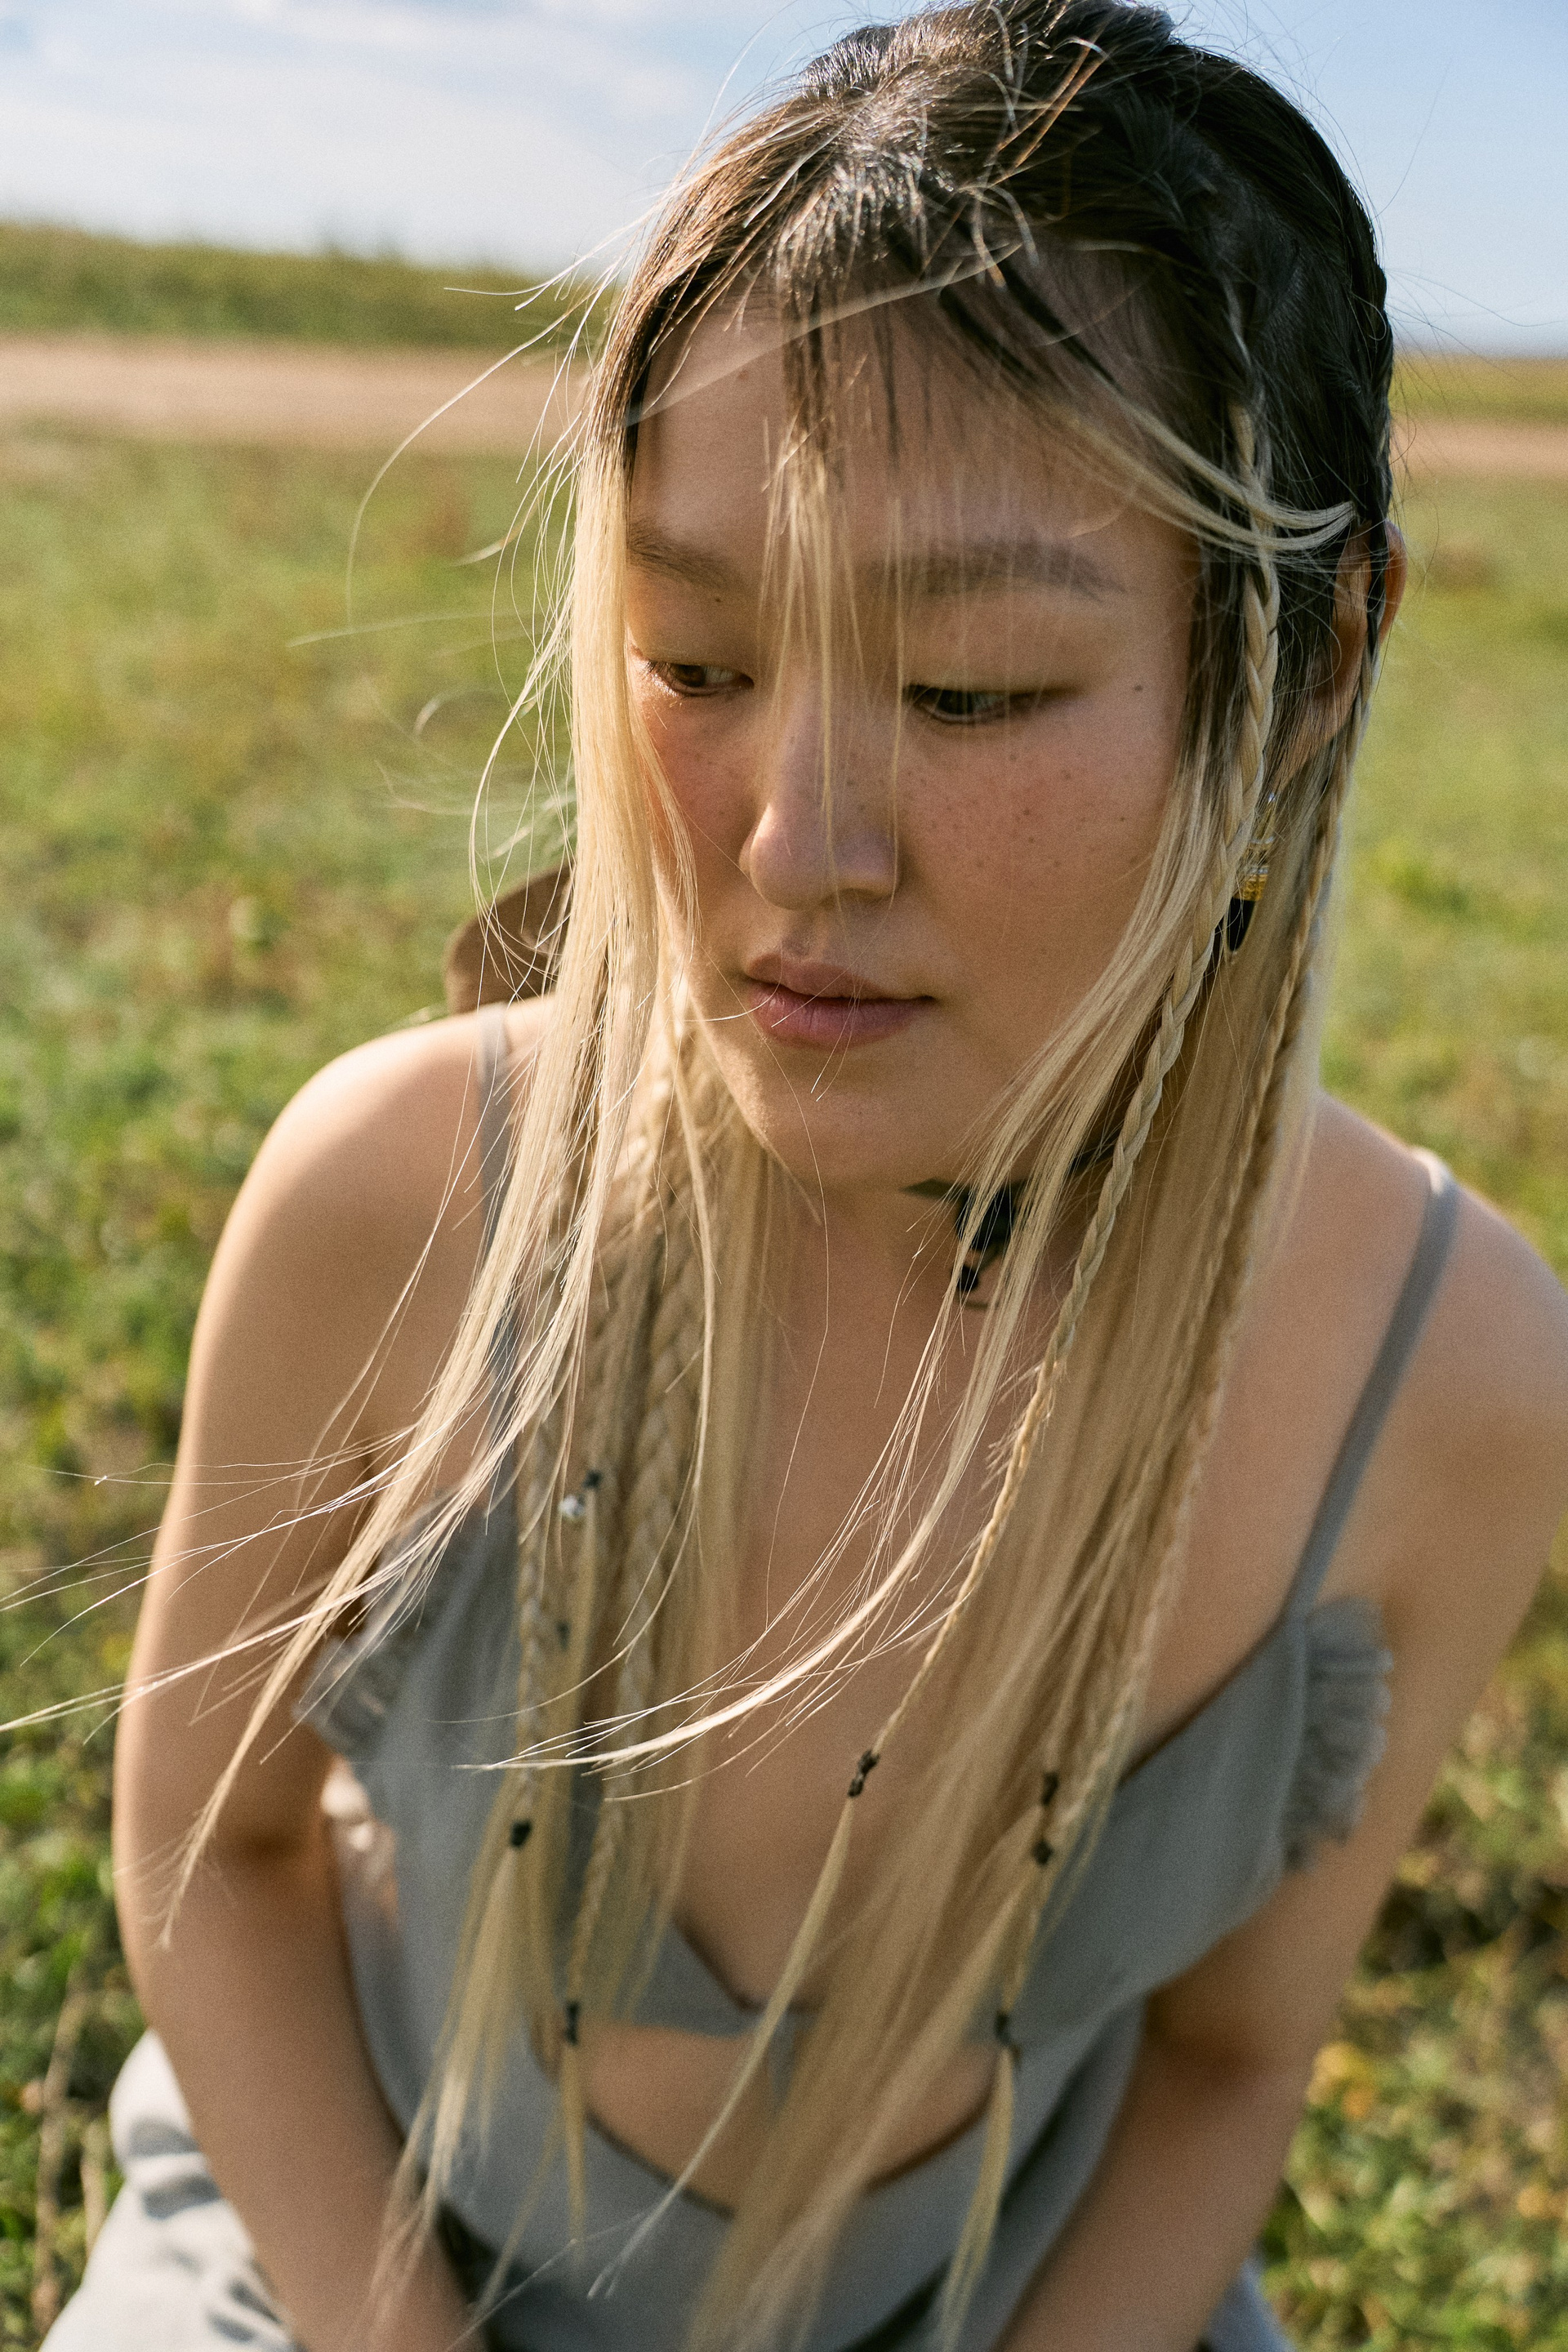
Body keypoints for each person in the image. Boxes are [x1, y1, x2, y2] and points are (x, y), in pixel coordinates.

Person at [48, 4, 1568, 2348]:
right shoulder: (401, 1194)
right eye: (697, 659)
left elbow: (1224, 2069)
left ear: (1308, 668)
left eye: (969, 693)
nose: (796, 847)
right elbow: (210, 1857)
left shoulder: (1447, 1375)